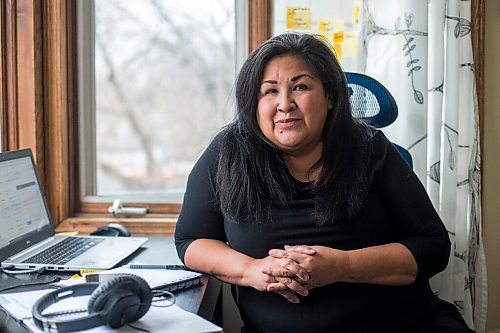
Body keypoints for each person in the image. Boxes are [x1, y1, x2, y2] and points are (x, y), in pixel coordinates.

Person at [175, 32, 474, 333]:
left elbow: (433, 247)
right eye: (269, 92)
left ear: (330, 96)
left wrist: (343, 267)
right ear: (254, 103)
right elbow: (191, 241)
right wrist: (250, 270)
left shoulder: (369, 148)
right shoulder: (228, 153)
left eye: (300, 87)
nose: (284, 104)